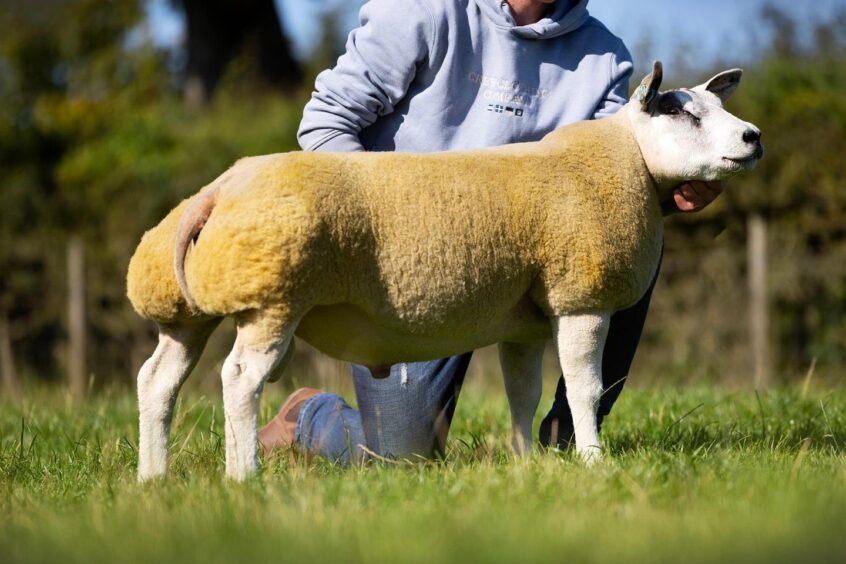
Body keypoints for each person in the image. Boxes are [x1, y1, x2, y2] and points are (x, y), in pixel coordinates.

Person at [258, 0, 722, 463]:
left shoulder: (603, 57)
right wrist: (391, 224)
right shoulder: (419, 11)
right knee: (399, 457)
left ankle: (568, 441)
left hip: (526, 266)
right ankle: (309, 416)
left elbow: (611, 191)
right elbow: (324, 125)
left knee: (627, 244)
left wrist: (671, 195)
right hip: (417, 266)